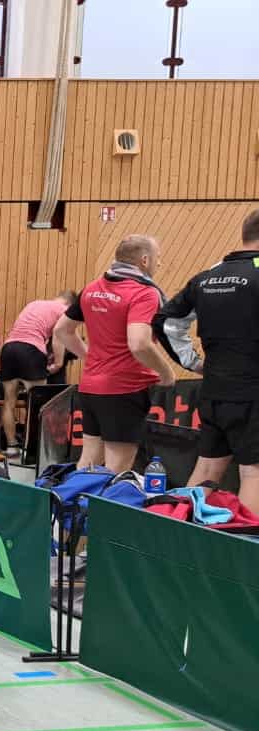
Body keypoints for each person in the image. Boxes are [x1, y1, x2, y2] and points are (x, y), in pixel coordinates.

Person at [159, 210, 259, 510]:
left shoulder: (207, 277)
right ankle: (247, 540)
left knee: (206, 469)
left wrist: (194, 363)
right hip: (252, 392)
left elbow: (166, 321)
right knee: (253, 472)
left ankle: (179, 531)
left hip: (214, 391)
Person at [54, 235, 177, 473]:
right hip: (124, 389)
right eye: (158, 258)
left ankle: (71, 499)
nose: (159, 263)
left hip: (91, 387)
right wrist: (166, 372)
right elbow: (139, 343)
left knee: (88, 463)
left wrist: (90, 358)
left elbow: (62, 330)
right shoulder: (144, 293)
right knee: (116, 469)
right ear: (144, 260)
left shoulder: (92, 288)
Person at [0, 292, 75, 457]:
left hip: (9, 348)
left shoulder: (34, 303)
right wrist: (58, 363)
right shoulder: (64, 310)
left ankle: (12, 447)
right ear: (70, 304)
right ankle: (35, 449)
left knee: (9, 402)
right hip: (30, 350)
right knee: (39, 404)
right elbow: (59, 336)